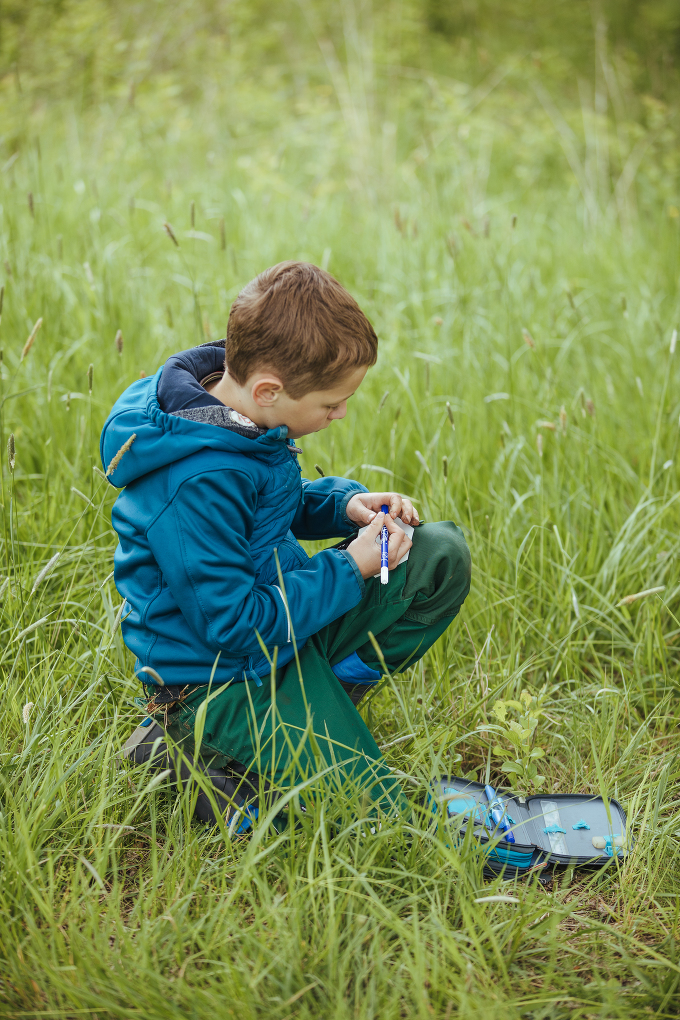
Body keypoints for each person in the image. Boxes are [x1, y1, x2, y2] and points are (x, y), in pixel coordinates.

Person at [102, 261, 471, 827]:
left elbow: (268, 503)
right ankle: (184, 749)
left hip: (284, 631)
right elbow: (235, 627)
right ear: (270, 390)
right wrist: (351, 567)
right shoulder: (196, 479)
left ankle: (324, 699)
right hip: (221, 677)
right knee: (372, 819)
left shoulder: (241, 417)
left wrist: (343, 505)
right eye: (330, 404)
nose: (341, 413)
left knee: (439, 554)